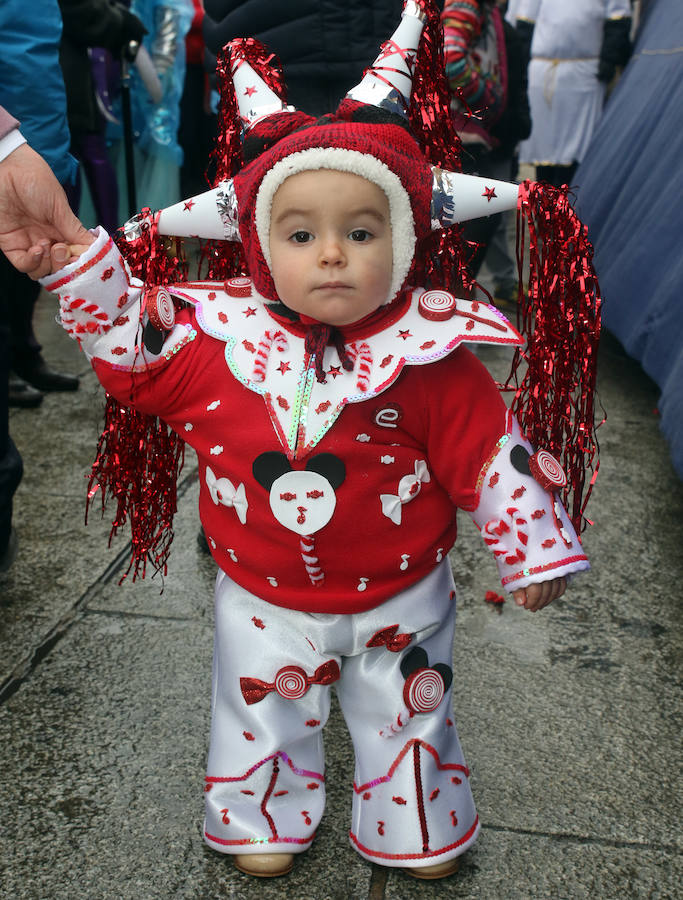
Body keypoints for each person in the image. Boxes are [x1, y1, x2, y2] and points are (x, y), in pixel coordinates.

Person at [39, 0, 596, 880]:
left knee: (410, 712)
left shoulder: (431, 361)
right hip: (261, 594)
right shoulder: (219, 346)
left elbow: (495, 454)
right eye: (300, 234)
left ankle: (415, 818)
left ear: (407, 242)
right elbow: (127, 350)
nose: (331, 254)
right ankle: (260, 810)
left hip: (402, 594)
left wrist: (533, 551)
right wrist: (81, 263)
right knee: (261, 711)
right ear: (258, 245)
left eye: (362, 231)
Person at [514, 0, 632, 187]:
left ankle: (569, 204)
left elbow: (618, 19)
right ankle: (546, 205)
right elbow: (526, 22)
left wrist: (609, 58)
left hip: (584, 75)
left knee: (578, 149)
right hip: (542, 71)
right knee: (544, 148)